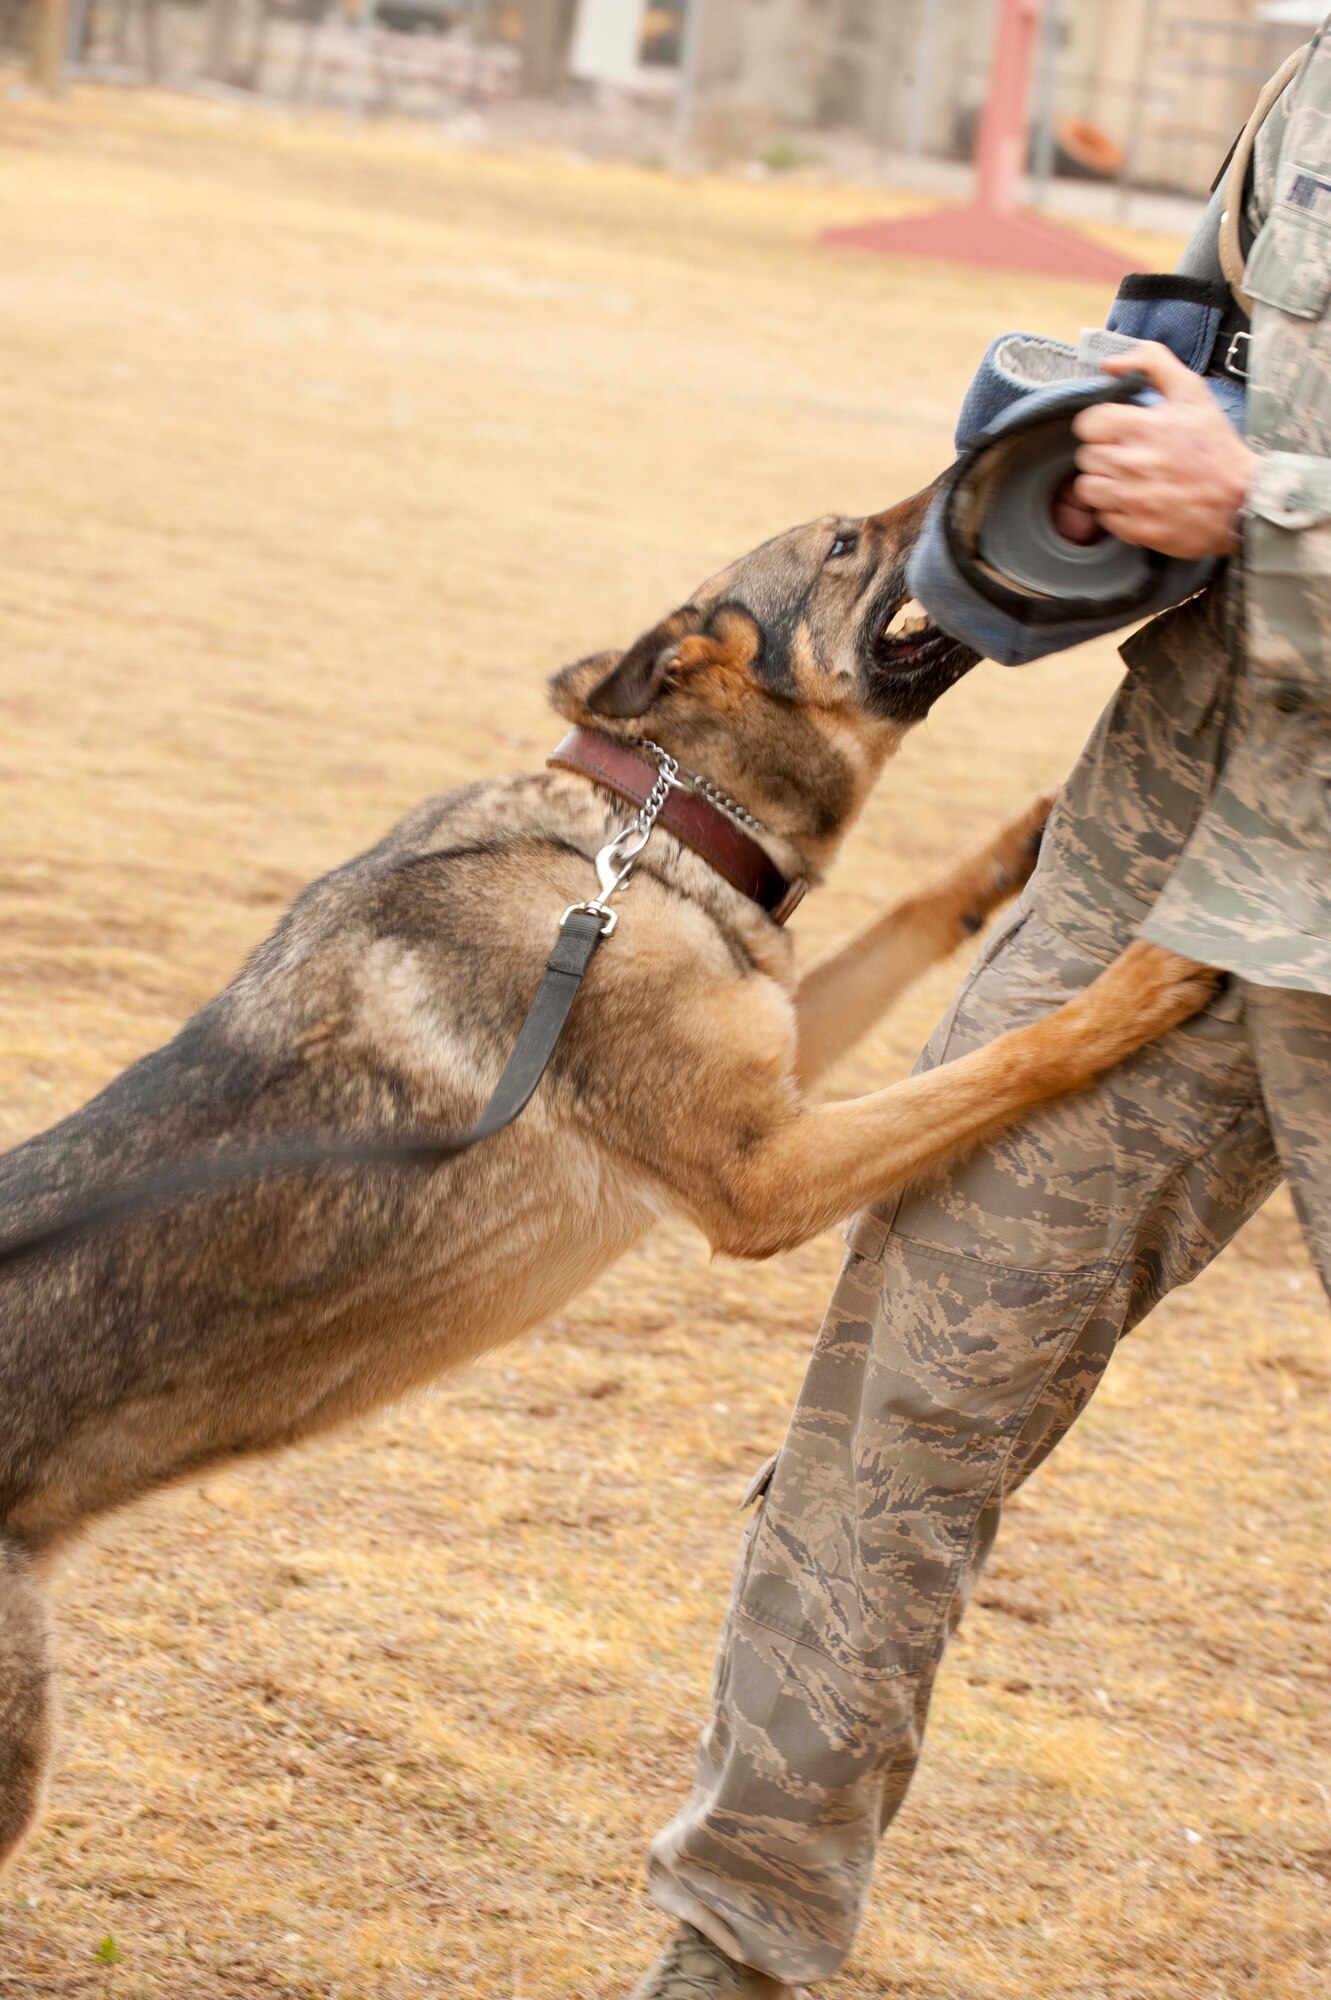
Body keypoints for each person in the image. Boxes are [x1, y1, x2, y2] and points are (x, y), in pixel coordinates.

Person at [630, 24, 1331, 1998]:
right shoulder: (1321, 78)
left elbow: (1257, 467)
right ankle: (730, 1961)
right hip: (1153, 878)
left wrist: (1270, 499)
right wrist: (1079, 495)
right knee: (886, 1439)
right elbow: (1192, 357)